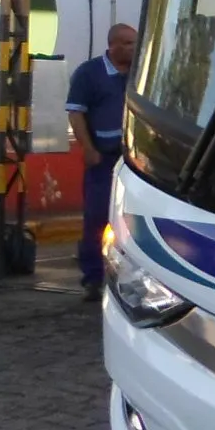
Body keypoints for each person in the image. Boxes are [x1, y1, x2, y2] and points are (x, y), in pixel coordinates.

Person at [66, 23, 137, 300]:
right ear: (115, 45)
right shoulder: (89, 73)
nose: (134, 49)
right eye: (129, 44)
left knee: (133, 220)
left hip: (134, 159)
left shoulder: (139, 72)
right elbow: (76, 113)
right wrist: (88, 147)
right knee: (97, 217)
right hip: (102, 157)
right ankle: (93, 278)